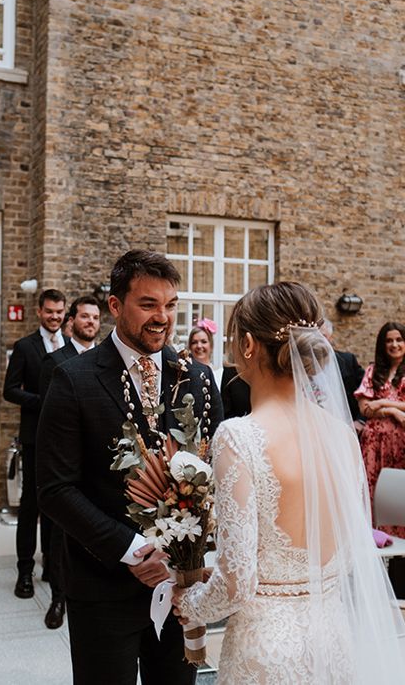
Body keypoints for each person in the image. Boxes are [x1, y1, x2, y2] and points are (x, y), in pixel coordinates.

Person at [172, 283, 405, 683]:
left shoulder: (238, 437)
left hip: (267, 650)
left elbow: (237, 584)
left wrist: (189, 602)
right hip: (333, 638)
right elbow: (349, 553)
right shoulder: (343, 436)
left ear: (247, 344)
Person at [36, 250, 222, 684]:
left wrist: (196, 555)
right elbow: (55, 489)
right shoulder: (72, 379)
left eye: (171, 305)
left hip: (181, 590)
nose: (163, 317)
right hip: (102, 588)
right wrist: (131, 550)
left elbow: (212, 472)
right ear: (115, 305)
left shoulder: (196, 377)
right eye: (148, 304)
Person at [36, 295, 101, 630]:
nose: (90, 322)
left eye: (95, 317)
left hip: (100, 462)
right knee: (62, 533)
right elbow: (49, 419)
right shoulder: (55, 362)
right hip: (67, 462)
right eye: (84, 316)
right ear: (71, 321)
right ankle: (59, 598)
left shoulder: (109, 360)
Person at [3, 288, 67, 599]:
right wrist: (42, 401)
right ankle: (24, 571)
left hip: (64, 440)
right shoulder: (24, 347)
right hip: (34, 437)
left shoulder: (70, 346)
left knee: (58, 503)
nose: (54, 316)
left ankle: (52, 566)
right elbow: (10, 390)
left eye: (59, 312)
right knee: (30, 505)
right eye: (50, 311)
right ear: (39, 312)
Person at [354, 321, 405, 535]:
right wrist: (393, 412)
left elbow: (374, 404)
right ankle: (376, 538)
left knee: (398, 491)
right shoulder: (373, 371)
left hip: (401, 443)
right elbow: (365, 407)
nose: (394, 344)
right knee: (372, 489)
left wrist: (384, 403)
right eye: (389, 340)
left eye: (399, 340)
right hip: (373, 444)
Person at [320, 319, 366, 432]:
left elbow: (366, 389)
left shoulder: (347, 360)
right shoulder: (303, 366)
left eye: (323, 336)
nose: (319, 341)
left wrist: (360, 421)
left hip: (349, 427)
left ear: (330, 338)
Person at [187, 319, 223, 388]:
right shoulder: (185, 375)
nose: (199, 346)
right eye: (194, 342)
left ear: (211, 345)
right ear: (190, 346)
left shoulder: (220, 374)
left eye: (203, 342)